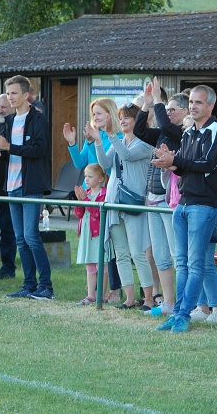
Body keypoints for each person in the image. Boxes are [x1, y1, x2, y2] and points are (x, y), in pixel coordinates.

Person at [153, 85, 217, 334]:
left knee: (196, 264)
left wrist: (175, 161)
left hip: (204, 204)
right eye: (192, 102)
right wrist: (169, 162)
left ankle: (184, 315)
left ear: (210, 106)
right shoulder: (187, 133)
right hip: (184, 203)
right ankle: (178, 313)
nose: (193, 106)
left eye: (198, 102)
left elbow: (207, 164)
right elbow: (185, 166)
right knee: (183, 264)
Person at [0, 76, 54, 299]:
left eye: (14, 93)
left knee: (31, 236)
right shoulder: (8, 121)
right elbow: (10, 152)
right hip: (12, 185)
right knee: (20, 239)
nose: (10, 97)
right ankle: (29, 285)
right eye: (8, 93)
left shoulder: (37, 119)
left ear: (26, 95)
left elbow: (39, 150)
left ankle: (46, 286)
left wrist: (9, 147)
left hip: (30, 185)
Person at [134, 78, 187, 315]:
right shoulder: (163, 134)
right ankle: (168, 303)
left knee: (177, 254)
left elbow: (165, 125)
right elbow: (139, 130)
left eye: (173, 110)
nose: (168, 114)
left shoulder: (180, 133)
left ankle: (184, 303)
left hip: (169, 201)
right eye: (167, 110)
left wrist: (158, 100)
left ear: (185, 112)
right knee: (160, 256)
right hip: (153, 199)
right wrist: (146, 104)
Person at [63, 97, 123, 303]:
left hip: (107, 193)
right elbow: (80, 163)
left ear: (110, 114)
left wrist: (95, 141)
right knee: (94, 243)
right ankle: (95, 290)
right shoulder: (92, 136)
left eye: (99, 113)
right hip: (90, 194)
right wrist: (73, 143)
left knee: (110, 245)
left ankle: (114, 290)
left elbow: (104, 165)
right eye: (93, 114)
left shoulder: (116, 136)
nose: (95, 117)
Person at [96, 102, 155, 309]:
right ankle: (129, 298)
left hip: (133, 203)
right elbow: (105, 164)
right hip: (115, 202)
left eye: (127, 117)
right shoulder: (118, 141)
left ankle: (148, 298)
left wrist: (111, 135)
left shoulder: (145, 144)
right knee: (121, 253)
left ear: (138, 121)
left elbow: (127, 156)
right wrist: (98, 141)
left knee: (138, 252)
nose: (122, 121)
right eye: (121, 117)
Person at [73, 163, 110, 305]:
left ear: (100, 179)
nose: (86, 179)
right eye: (85, 176)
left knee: (101, 264)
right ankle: (90, 295)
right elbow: (79, 214)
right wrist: (79, 201)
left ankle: (101, 294)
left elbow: (97, 213)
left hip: (98, 233)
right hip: (87, 232)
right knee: (89, 263)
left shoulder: (104, 194)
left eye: (90, 176)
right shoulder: (87, 193)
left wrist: (85, 200)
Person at [0, 93, 17, 279]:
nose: (0, 111)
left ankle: (8, 268)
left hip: (8, 185)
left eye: (3, 107)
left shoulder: (15, 127)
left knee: (8, 228)